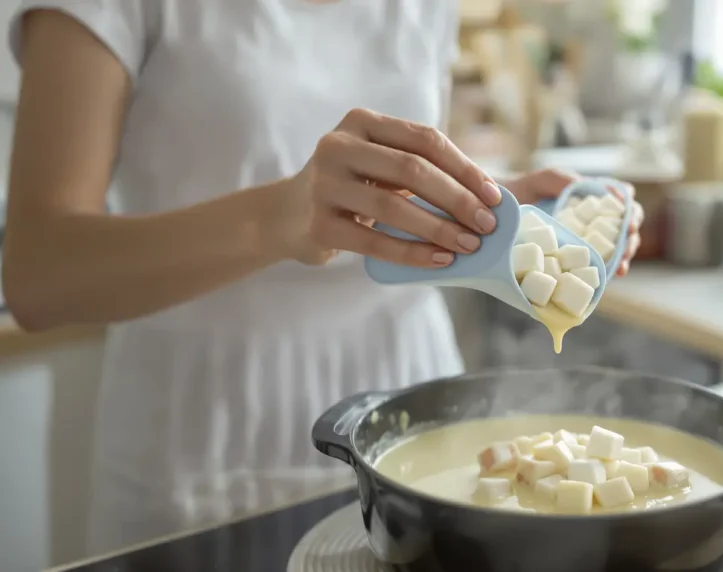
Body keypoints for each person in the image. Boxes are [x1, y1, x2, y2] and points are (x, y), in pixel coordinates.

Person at [4, 0, 642, 556]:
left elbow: (391, 188)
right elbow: (36, 277)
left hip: (415, 425)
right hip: (205, 445)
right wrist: (272, 220)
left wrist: (495, 216)